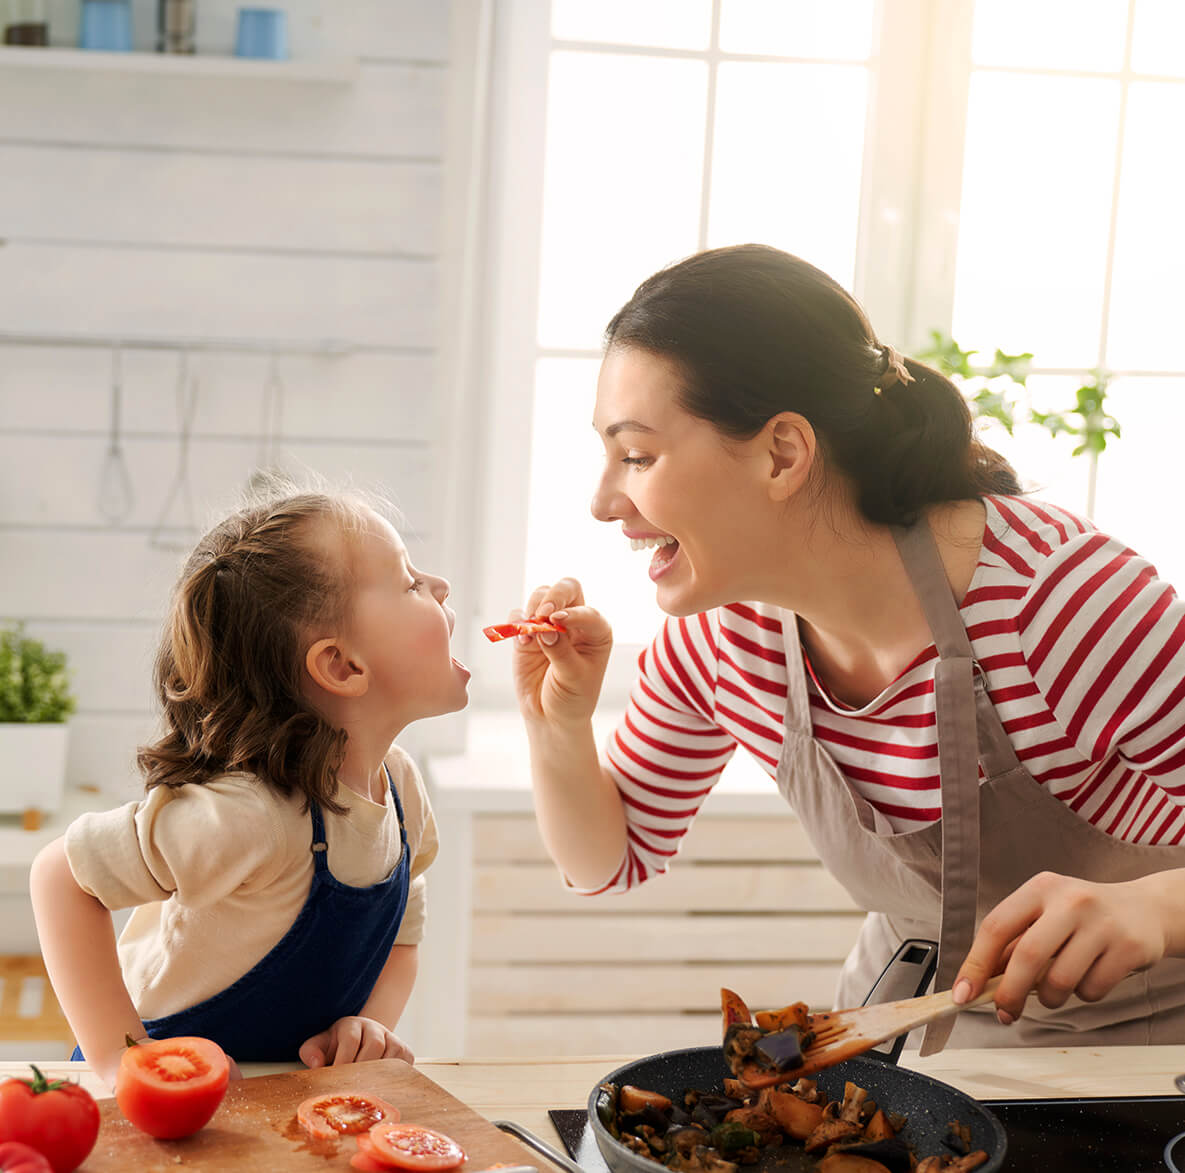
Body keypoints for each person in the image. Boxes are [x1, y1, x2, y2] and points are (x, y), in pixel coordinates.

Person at [508, 243, 1185, 1052]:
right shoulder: (720, 640)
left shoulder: (1063, 607)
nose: (602, 501)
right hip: (909, 1027)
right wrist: (557, 721)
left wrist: (1156, 907)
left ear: (782, 454)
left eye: (636, 456)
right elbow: (609, 859)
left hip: (1144, 1045)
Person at [30, 482, 469, 1089]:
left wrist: (368, 1024)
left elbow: (402, 936)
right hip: (150, 1096)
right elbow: (60, 875)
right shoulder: (253, 816)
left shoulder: (400, 792)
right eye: (410, 582)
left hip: (279, 1094)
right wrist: (118, 1057)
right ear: (342, 666)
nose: (441, 586)